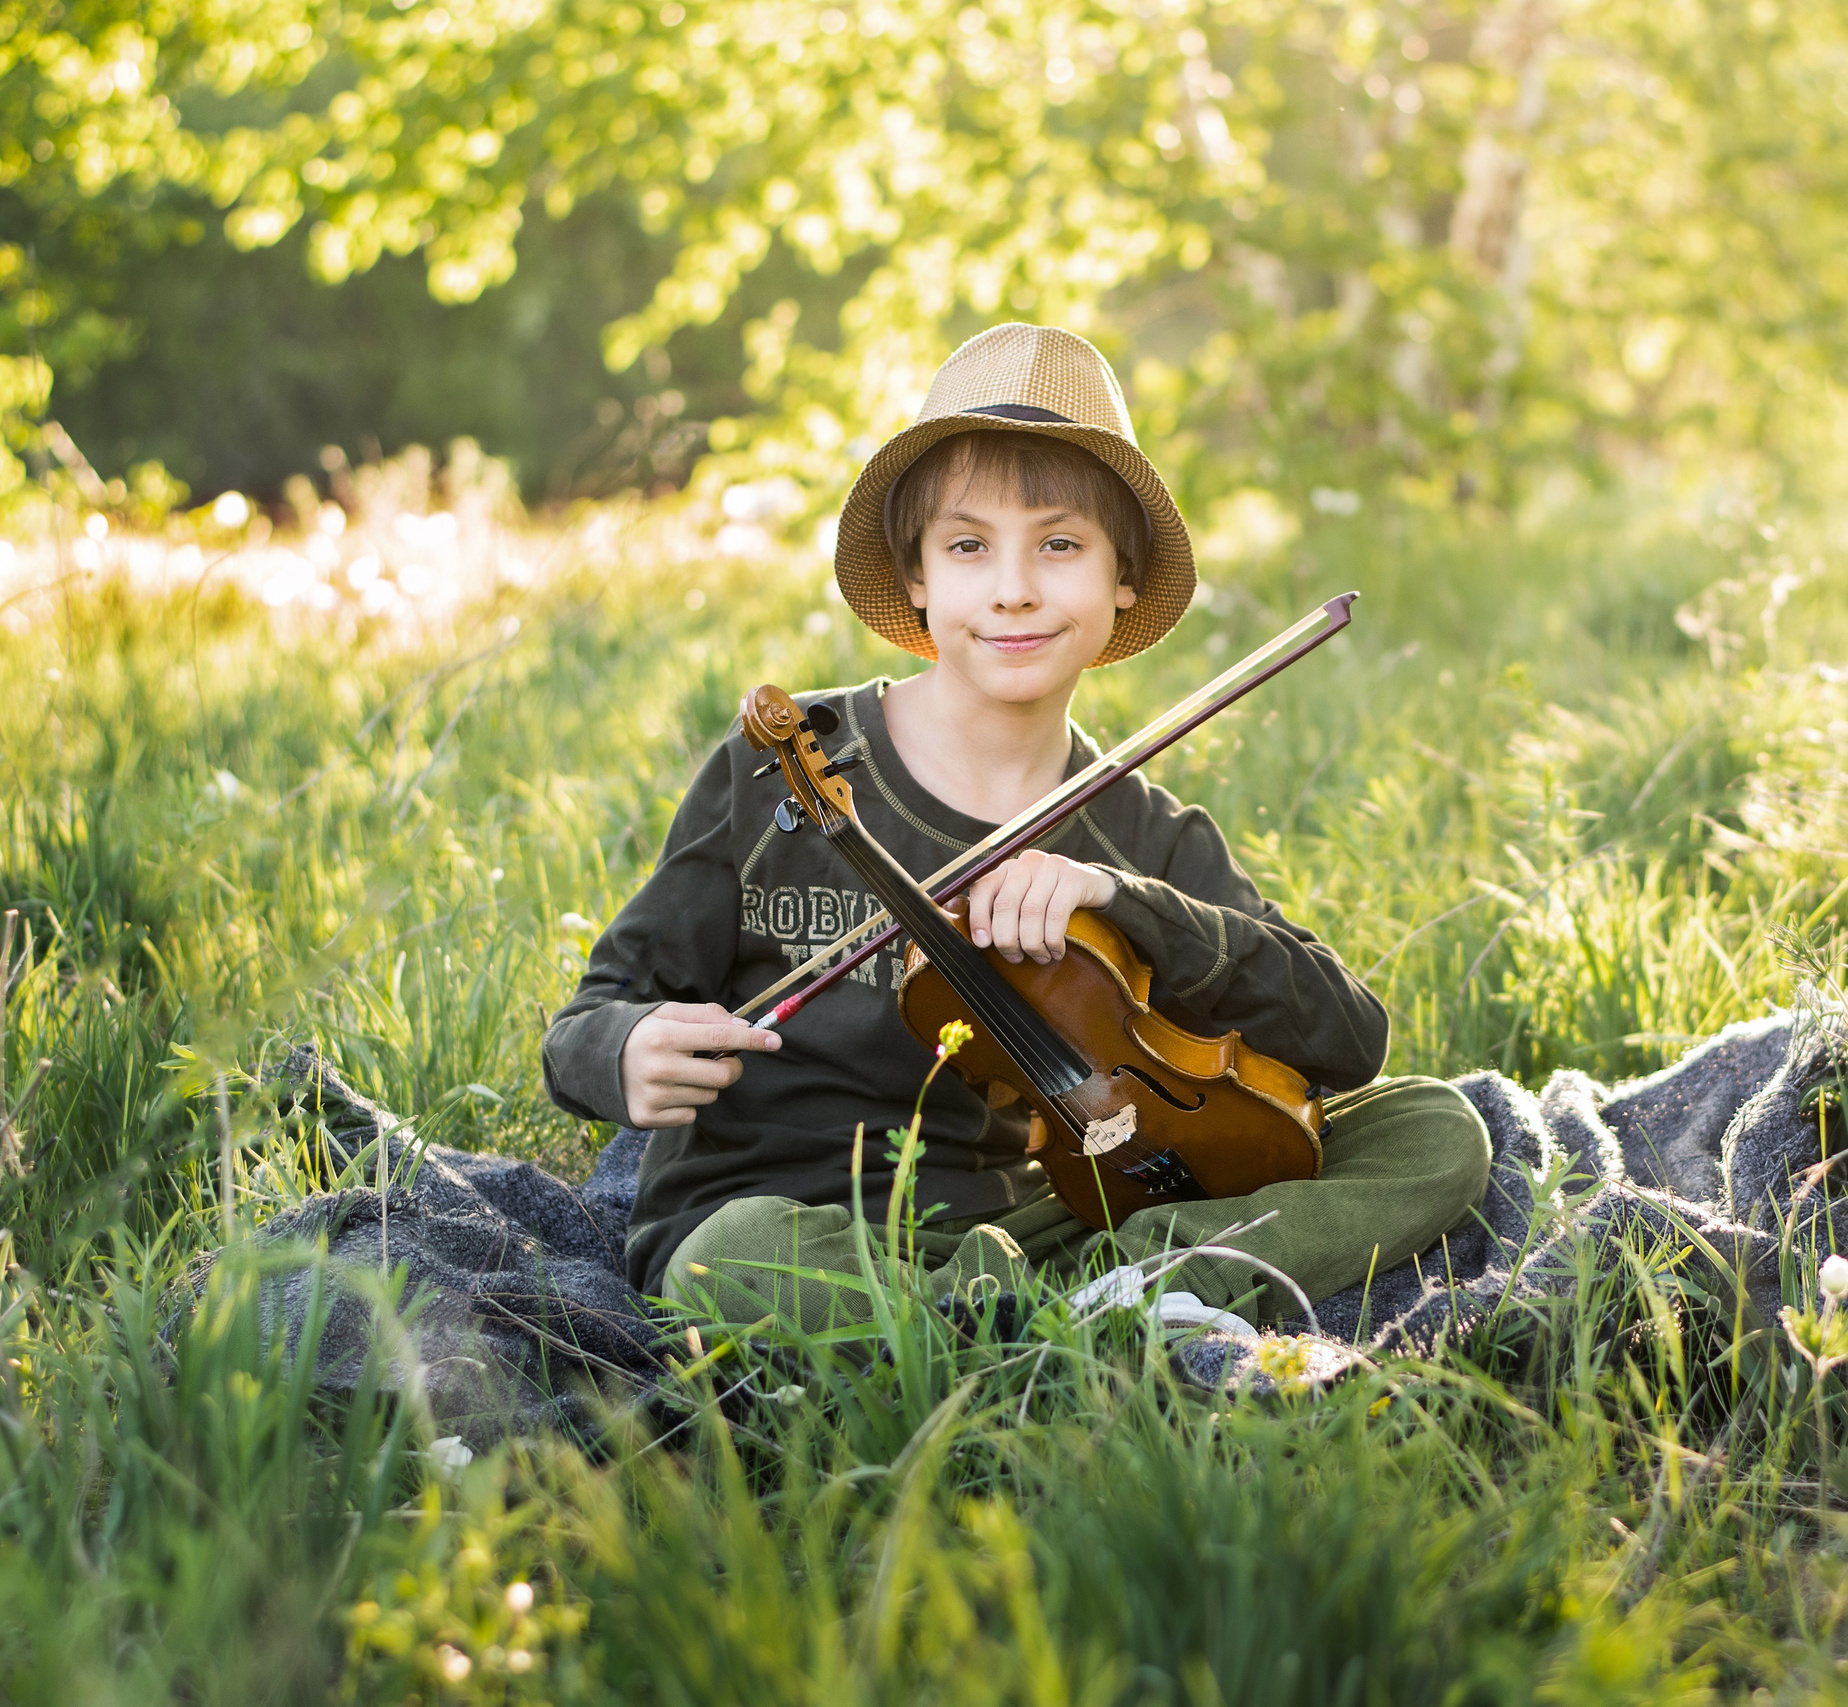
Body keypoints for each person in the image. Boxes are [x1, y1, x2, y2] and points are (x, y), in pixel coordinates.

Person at [541, 322, 1491, 1336]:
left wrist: (1122, 903)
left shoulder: (1138, 830)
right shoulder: (786, 768)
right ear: (917, 579)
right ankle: (1052, 1336)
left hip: (1034, 1222)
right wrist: (624, 1048)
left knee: (1437, 1128)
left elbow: (1349, 1037)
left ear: (1121, 580)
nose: (1014, 588)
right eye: (967, 546)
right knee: (736, 1260)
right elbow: (591, 1018)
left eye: (1060, 545)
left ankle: (1117, 1298)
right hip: (781, 1223)